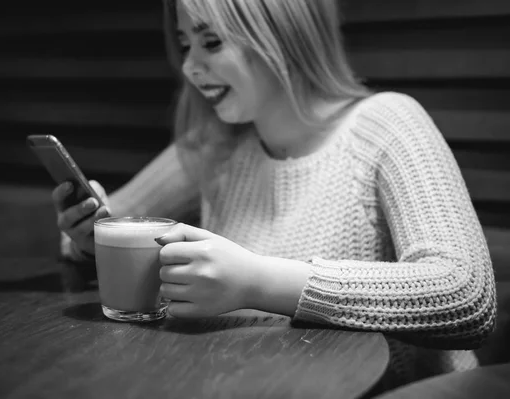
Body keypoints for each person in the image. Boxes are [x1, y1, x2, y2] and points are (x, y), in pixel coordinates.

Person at [52, 0, 496, 390]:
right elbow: (118, 219)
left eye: (211, 42)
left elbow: (466, 296)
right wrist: (86, 240)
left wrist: (258, 281)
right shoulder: (218, 143)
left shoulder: (386, 124)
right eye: (186, 44)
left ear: (281, 35)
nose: (189, 66)